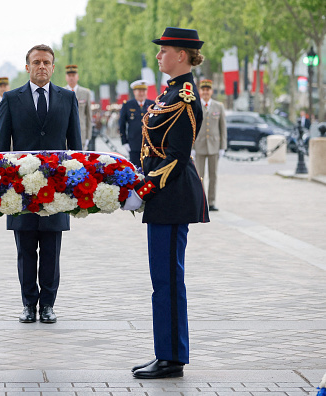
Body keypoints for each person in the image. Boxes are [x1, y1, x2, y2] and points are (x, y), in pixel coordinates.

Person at [123, 27, 209, 379]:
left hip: (171, 196)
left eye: (164, 50)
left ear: (181, 55)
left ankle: (172, 358)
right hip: (165, 198)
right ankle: (166, 352)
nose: (158, 56)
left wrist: (143, 190)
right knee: (161, 279)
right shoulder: (170, 93)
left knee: (169, 280)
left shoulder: (185, 97)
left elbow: (176, 156)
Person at [0, 44, 81, 324]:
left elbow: (76, 149)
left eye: (46, 62)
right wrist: (3, 187)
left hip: (56, 190)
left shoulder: (68, 99)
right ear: (27, 67)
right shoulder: (10, 98)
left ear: (53, 67)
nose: (41, 66)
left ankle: (48, 305)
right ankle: (28, 304)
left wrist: (76, 186)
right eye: (36, 62)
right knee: (26, 250)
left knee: (52, 250)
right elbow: (0, 150)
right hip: (21, 191)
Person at [193, 79, 226, 211]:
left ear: (211, 91)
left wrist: (223, 146)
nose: (206, 92)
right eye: (203, 90)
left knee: (213, 176)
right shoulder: (195, 106)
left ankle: (211, 202)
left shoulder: (219, 106)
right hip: (199, 146)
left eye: (208, 90)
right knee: (199, 176)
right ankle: (201, 202)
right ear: (200, 91)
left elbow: (222, 128)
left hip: (214, 146)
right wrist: (192, 147)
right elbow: (192, 127)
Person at [118, 79, 154, 166]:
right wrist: (124, 142)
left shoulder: (152, 104)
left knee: (150, 169)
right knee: (136, 170)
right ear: (134, 92)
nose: (141, 93)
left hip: (150, 144)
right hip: (134, 144)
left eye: (144, 91)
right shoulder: (128, 105)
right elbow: (122, 124)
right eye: (139, 91)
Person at [64, 65, 92, 150]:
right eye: (69, 76)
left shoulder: (85, 93)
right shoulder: (61, 93)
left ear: (77, 77)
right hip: (64, 135)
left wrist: (88, 137)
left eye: (73, 75)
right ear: (66, 77)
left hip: (81, 134)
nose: (71, 78)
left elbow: (89, 117)